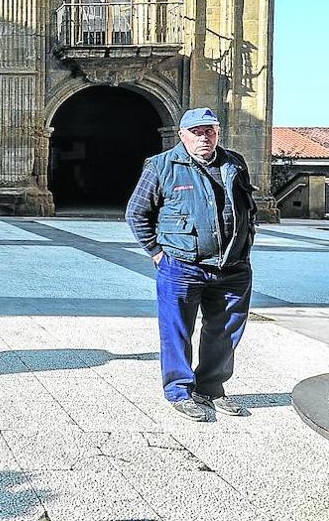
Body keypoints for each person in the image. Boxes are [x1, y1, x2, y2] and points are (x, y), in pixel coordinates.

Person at [125, 107, 258, 421]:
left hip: (233, 267)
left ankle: (210, 389)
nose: (204, 138)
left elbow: (247, 210)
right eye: (196, 132)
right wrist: (157, 253)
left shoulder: (235, 163)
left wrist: (244, 246)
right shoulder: (161, 166)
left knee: (225, 332)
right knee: (177, 331)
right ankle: (180, 391)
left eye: (209, 131)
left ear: (217, 133)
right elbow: (136, 213)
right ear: (182, 135)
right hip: (182, 265)